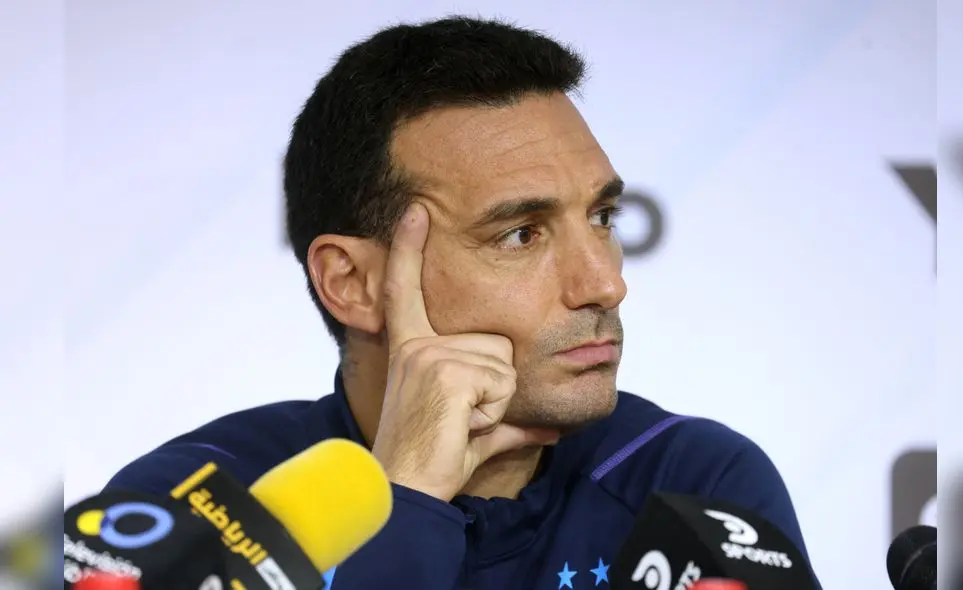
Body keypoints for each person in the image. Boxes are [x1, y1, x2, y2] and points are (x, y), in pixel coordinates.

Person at [105, 15, 820, 589]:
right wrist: (406, 493)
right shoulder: (194, 503)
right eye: (520, 234)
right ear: (352, 283)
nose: (604, 283)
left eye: (602, 218)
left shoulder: (690, 481)